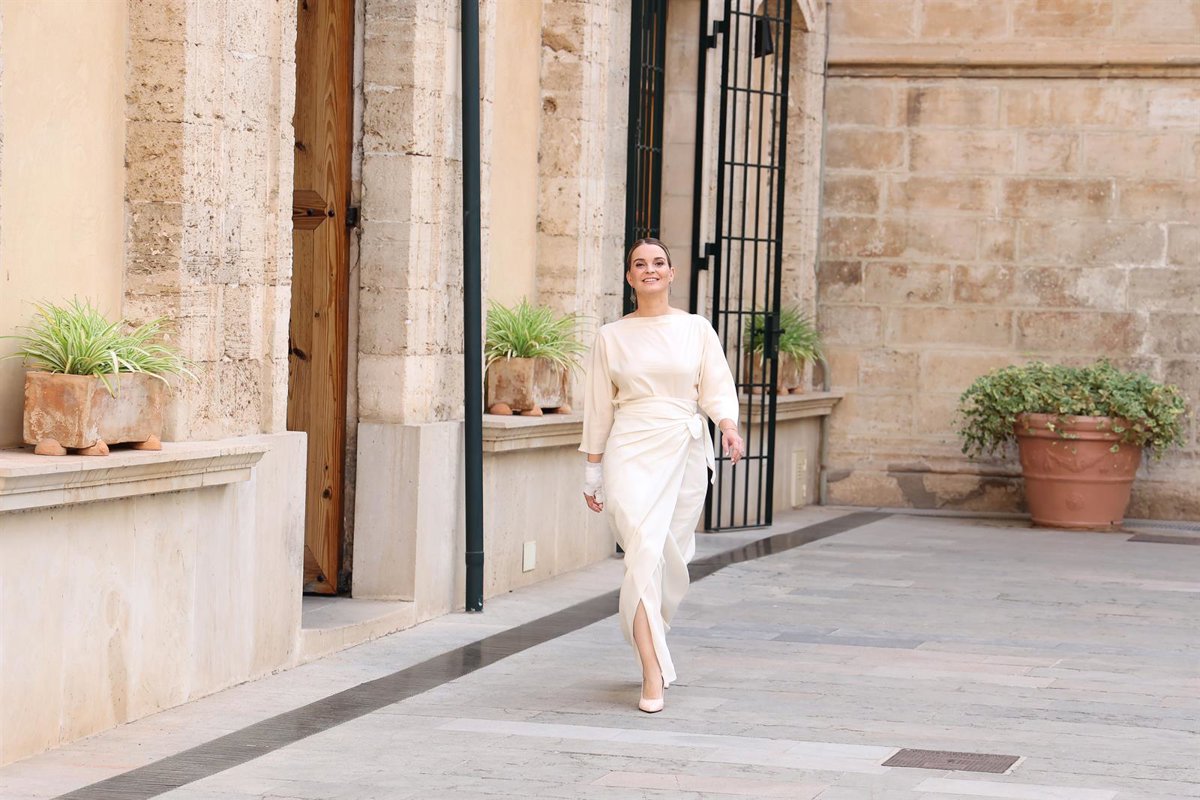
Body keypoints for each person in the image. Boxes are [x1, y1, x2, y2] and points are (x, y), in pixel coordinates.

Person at [580, 237, 745, 714]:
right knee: (642, 553)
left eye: (658, 262)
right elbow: (598, 407)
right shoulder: (611, 336)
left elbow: (716, 386)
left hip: (684, 451)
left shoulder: (696, 329)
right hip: (629, 449)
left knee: (669, 560)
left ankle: (652, 636)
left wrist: (728, 427)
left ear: (672, 273)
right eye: (639, 264)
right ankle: (651, 672)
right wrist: (592, 470)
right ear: (629, 277)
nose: (649, 269)